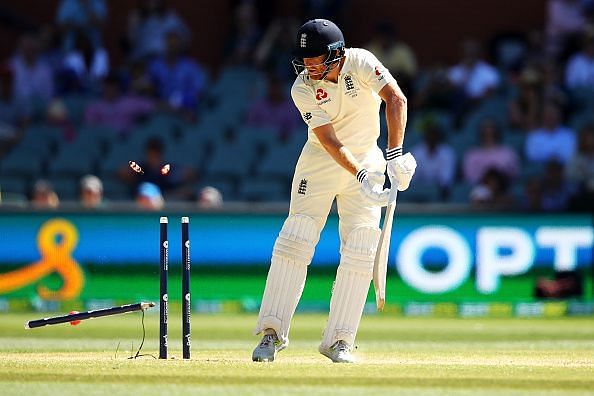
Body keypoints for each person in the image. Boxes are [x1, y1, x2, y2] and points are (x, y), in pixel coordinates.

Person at [251, 19, 416, 364]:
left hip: (368, 157)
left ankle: (339, 341)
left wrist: (395, 156)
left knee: (361, 246)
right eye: (304, 58)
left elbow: (395, 99)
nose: (308, 65)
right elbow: (328, 140)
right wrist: (359, 176)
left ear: (337, 53)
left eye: (315, 58)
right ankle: (271, 334)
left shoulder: (361, 61)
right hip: (321, 163)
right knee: (295, 239)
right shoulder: (302, 88)